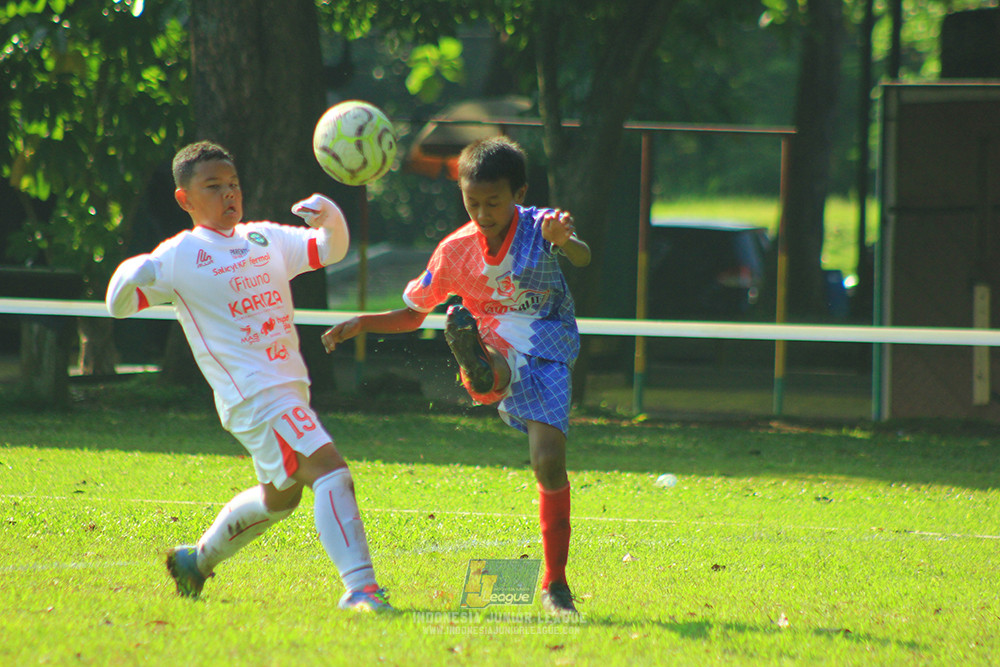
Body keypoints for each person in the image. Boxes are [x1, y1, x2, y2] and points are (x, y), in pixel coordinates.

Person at [106, 140, 391, 612]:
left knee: (280, 501)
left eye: (233, 184)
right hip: (256, 397)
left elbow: (330, 249)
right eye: (213, 186)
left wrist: (330, 218)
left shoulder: (264, 238)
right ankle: (360, 590)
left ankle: (196, 562)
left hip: (286, 389)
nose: (228, 194)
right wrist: (132, 271)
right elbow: (118, 305)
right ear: (184, 199)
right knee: (331, 472)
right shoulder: (180, 255)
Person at [321, 136, 591, 615]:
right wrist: (362, 322)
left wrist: (565, 241)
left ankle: (555, 584)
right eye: (472, 203)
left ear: (519, 194)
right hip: (493, 336)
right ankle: (478, 366)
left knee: (549, 464)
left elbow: (584, 256)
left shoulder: (540, 226)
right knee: (488, 357)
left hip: (549, 344)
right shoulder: (454, 251)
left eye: (494, 202)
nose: (483, 213)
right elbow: (412, 313)